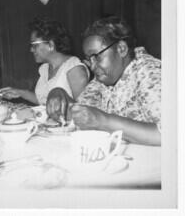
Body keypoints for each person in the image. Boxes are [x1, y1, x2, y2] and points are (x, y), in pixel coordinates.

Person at [46, 16, 161, 146]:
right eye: (90, 59)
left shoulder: (149, 72)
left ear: (121, 49)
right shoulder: (101, 80)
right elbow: (82, 115)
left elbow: (170, 132)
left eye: (96, 56)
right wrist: (58, 94)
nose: (93, 66)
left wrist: (103, 121)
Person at [0, 17, 89, 105]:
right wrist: (20, 93)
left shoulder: (74, 69)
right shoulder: (45, 68)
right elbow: (44, 101)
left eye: (35, 45)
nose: (31, 50)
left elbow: (84, 110)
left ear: (51, 45)